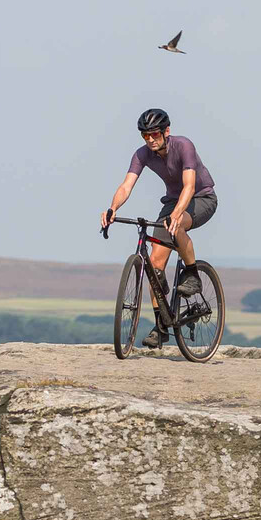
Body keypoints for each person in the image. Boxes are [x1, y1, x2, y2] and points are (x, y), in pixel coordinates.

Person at [100, 109, 219, 348]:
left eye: (154, 134)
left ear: (166, 131)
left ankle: (193, 275)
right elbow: (126, 185)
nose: (150, 140)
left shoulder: (184, 146)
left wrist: (177, 214)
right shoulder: (142, 154)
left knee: (177, 225)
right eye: (145, 136)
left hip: (201, 198)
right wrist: (112, 208)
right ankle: (161, 327)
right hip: (172, 202)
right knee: (154, 267)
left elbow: (189, 186)